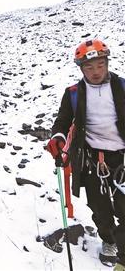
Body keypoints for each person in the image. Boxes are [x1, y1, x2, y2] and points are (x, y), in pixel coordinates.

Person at [46, 39, 125, 270]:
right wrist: (57, 138)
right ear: (81, 69)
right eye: (89, 67)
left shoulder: (121, 87)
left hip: (122, 157)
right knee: (99, 208)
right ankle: (109, 240)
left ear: (107, 63)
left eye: (100, 65)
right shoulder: (73, 94)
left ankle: (123, 256)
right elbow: (62, 120)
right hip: (92, 159)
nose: (96, 71)